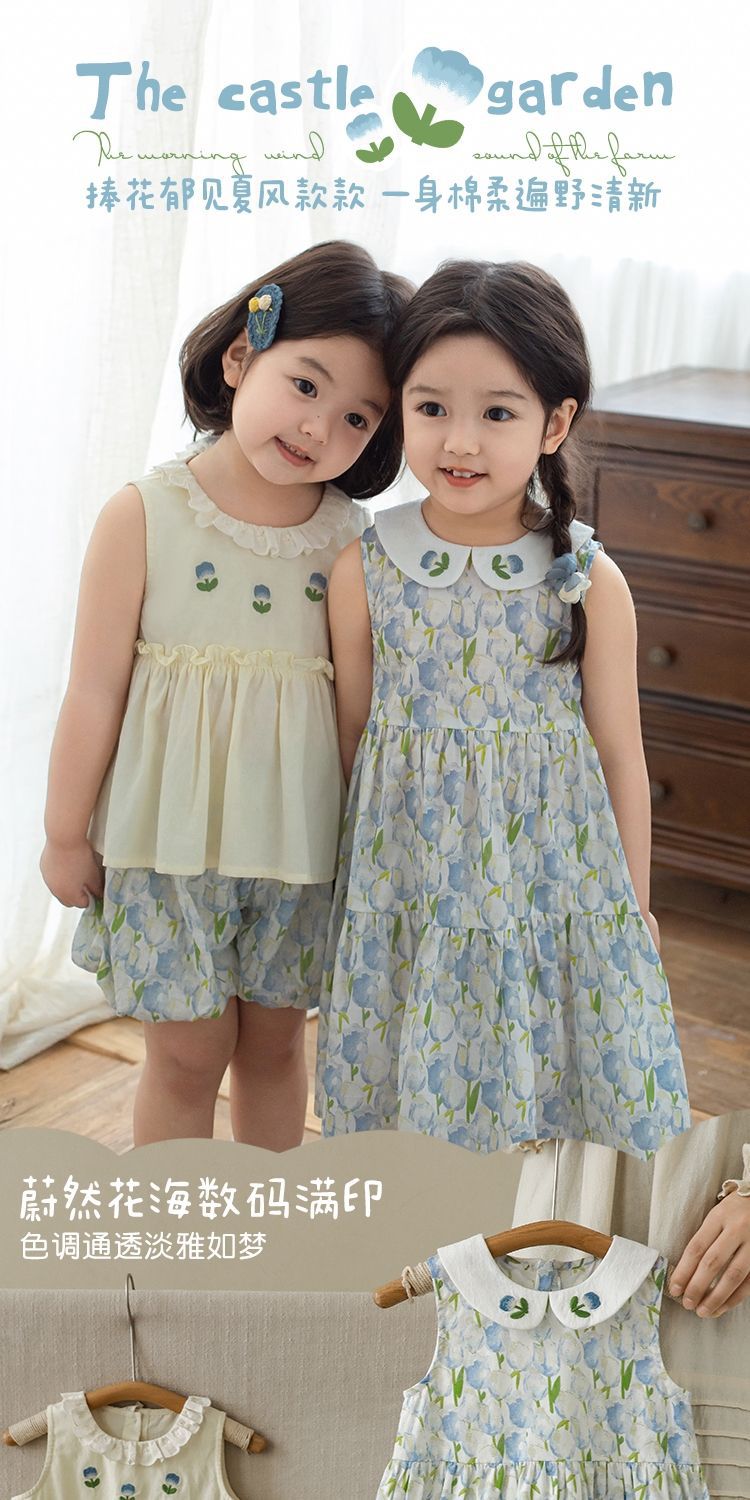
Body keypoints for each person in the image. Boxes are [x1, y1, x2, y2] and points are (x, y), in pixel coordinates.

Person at [40, 240, 412, 1148]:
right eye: (306, 385)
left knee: (277, 1049)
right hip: (165, 849)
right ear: (242, 357)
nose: (319, 427)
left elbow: (361, 715)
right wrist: (64, 831)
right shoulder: (145, 513)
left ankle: (265, 1222)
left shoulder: (352, 542)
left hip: (301, 849)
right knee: (186, 1056)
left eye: (358, 418)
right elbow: (92, 692)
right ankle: (175, 1226)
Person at [316, 258, 691, 1158]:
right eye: (431, 407)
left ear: (554, 423)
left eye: (497, 413)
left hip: (558, 885)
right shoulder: (365, 569)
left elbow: (620, 756)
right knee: (414, 1091)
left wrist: (632, 907)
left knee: (560, 1086)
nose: (460, 442)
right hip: (408, 882)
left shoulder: (588, 581)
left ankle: (542, 1231)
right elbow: (352, 742)